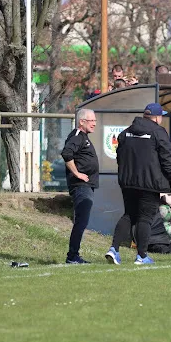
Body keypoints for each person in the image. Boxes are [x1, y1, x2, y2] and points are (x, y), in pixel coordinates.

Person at [106, 103, 171, 265]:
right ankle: (142, 256)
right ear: (156, 117)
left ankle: (114, 249)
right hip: (150, 183)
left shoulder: (126, 133)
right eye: (161, 115)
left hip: (128, 183)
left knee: (129, 215)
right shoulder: (158, 132)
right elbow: (167, 160)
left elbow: (119, 157)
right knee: (145, 218)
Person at [61, 108, 99, 264]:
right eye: (92, 121)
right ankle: (72, 256)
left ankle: (73, 255)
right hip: (81, 186)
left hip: (87, 186)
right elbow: (66, 153)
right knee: (81, 221)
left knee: (82, 221)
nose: (94, 124)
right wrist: (77, 174)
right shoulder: (77, 136)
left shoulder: (84, 138)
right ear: (82, 121)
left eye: (95, 121)